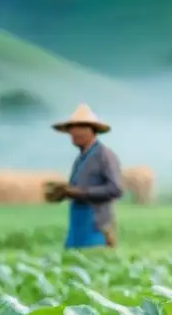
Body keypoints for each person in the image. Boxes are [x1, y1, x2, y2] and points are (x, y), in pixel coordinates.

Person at [52, 104, 123, 249]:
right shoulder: (80, 159)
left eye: (77, 128)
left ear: (91, 130)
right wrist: (64, 193)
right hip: (78, 225)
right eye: (71, 128)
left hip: (97, 227)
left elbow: (115, 189)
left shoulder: (104, 155)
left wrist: (79, 192)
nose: (72, 132)